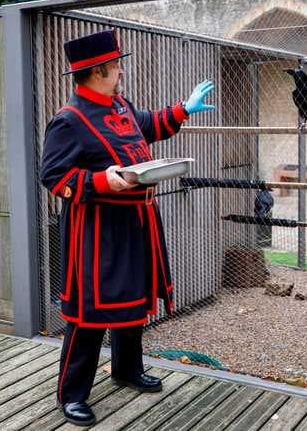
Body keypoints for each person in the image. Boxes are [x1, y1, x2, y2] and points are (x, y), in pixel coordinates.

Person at [40, 29, 215, 426]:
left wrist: (183, 109)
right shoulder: (69, 121)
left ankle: (126, 369)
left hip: (136, 223)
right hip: (97, 234)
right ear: (100, 70)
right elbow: (53, 176)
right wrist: (103, 180)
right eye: (117, 65)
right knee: (88, 314)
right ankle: (71, 395)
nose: (121, 71)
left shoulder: (119, 104)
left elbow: (147, 126)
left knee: (134, 297)